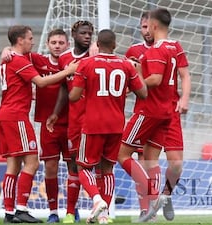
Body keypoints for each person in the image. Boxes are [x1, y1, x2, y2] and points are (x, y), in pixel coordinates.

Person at [0, 25, 77, 224]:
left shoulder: (10, 59)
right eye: (30, 38)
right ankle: (21, 209)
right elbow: (40, 83)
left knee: (13, 165)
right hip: (16, 116)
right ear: (20, 40)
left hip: (5, 114)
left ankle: (9, 213)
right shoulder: (19, 59)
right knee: (32, 161)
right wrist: (68, 71)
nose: (33, 42)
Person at [69, 29, 147, 224]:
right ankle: (104, 216)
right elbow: (143, 93)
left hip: (93, 124)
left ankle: (97, 200)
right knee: (108, 169)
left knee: (84, 167)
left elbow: (74, 96)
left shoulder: (86, 64)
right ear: (114, 45)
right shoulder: (126, 65)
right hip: (116, 125)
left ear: (97, 44)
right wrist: (135, 73)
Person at [117, 8, 188, 223]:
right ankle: (149, 207)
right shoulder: (135, 50)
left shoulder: (165, 48)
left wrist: (185, 98)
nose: (146, 30)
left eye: (148, 26)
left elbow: (159, 78)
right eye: (142, 26)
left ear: (154, 26)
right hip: (153, 109)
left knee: (173, 164)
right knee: (148, 160)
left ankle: (161, 195)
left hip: (157, 111)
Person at [46, 20, 94, 224]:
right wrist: (56, 112)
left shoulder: (96, 55)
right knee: (73, 165)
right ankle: (69, 212)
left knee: (97, 166)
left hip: (94, 119)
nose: (88, 36)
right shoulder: (65, 58)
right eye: (84, 33)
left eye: (90, 33)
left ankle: (100, 210)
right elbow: (64, 88)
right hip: (74, 121)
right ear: (73, 35)